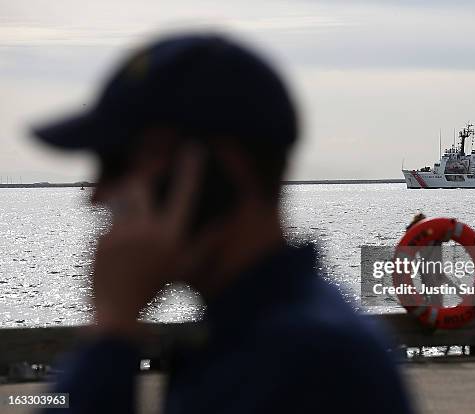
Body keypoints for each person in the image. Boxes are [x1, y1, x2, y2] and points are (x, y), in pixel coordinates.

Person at [34, 33, 413, 413]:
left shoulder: (303, 365)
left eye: (118, 163)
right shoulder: (256, 338)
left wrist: (112, 331)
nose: (97, 194)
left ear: (220, 169)